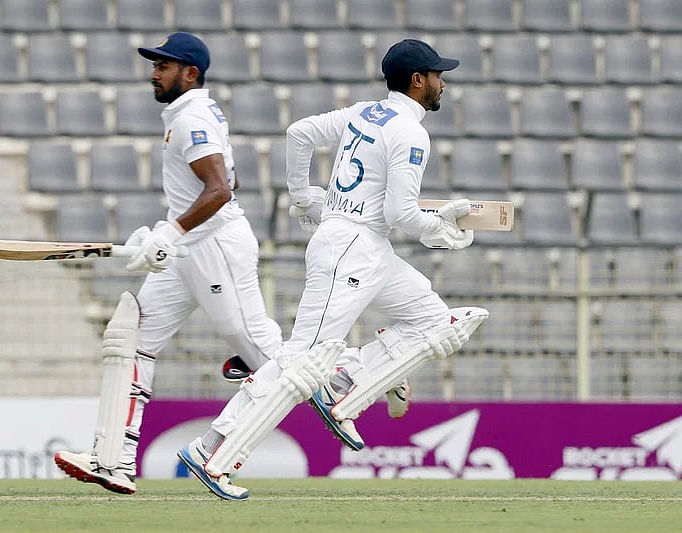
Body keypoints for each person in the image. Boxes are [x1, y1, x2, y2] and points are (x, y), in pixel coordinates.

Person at [176, 39, 489, 501]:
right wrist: (440, 230)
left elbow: (300, 132)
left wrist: (304, 195)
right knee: (301, 360)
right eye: (438, 76)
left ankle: (345, 383)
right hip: (351, 249)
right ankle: (212, 450)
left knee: (434, 322)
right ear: (418, 80)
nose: (443, 83)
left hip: (365, 246)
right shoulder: (409, 131)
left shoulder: (367, 113)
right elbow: (402, 213)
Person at [53, 32, 284, 495]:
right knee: (131, 340)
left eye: (163, 66)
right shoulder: (186, 112)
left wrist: (170, 232)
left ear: (190, 73)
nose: (153, 73)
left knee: (273, 364)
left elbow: (220, 190)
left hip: (215, 247)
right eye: (155, 65)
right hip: (190, 250)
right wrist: (165, 235)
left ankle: (346, 381)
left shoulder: (193, 114)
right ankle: (113, 459)